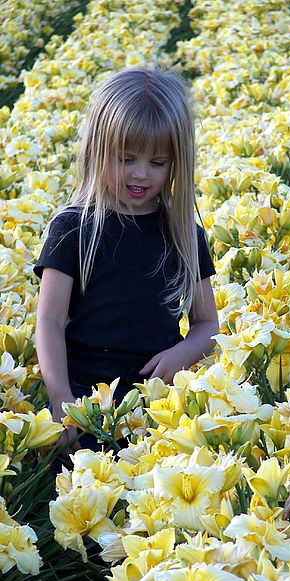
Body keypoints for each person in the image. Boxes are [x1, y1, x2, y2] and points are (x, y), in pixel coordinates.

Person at [33, 65, 220, 466]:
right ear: (97, 150)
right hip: (83, 405)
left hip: (157, 408)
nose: (140, 173)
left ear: (177, 163)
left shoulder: (183, 233)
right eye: (126, 158)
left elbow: (207, 325)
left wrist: (181, 353)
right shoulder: (73, 227)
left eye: (158, 162)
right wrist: (60, 398)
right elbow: (48, 321)